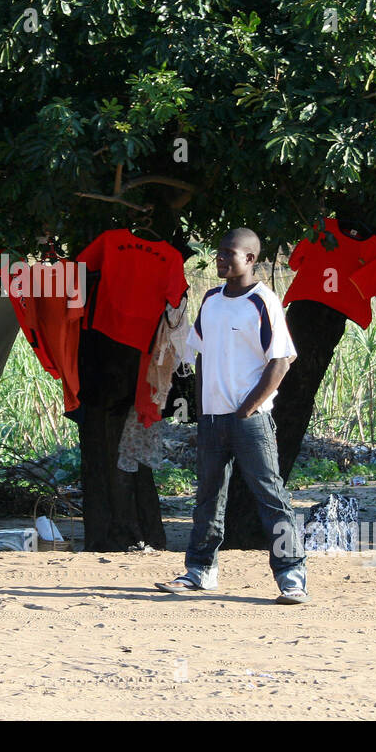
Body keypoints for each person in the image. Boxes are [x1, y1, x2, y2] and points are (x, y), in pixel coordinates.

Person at [157, 228, 310, 604]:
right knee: (207, 496)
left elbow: (281, 362)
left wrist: (247, 409)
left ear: (251, 259)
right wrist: (202, 411)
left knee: (272, 497)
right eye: (219, 252)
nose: (221, 258)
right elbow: (200, 356)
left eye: (229, 252)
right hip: (212, 420)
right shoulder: (210, 300)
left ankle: (292, 576)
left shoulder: (264, 301)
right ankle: (199, 570)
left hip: (250, 421)